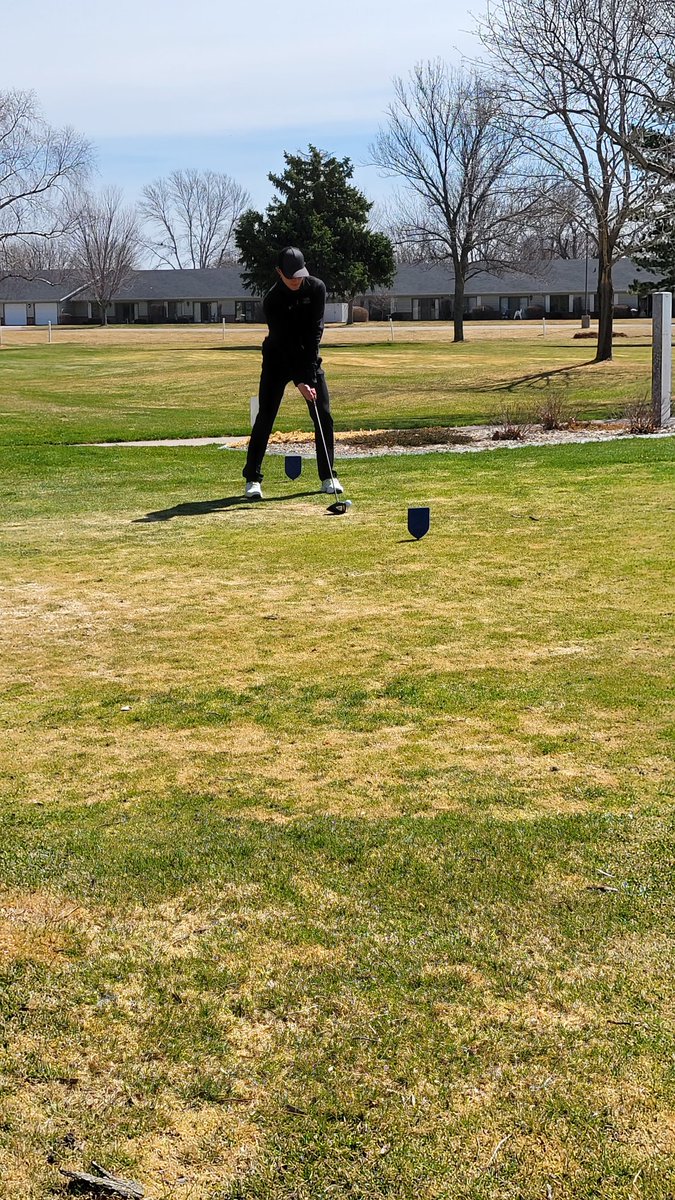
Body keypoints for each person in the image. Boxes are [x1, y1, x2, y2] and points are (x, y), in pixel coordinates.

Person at [243, 246, 343, 500]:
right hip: (278, 359)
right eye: (291, 277)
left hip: (308, 358)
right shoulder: (272, 300)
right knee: (266, 416)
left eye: (300, 275)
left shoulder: (316, 288)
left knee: (324, 414)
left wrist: (308, 377)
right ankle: (252, 479)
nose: (297, 280)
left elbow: (314, 333)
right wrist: (299, 381)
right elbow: (285, 343)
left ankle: (328, 476)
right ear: (279, 272)